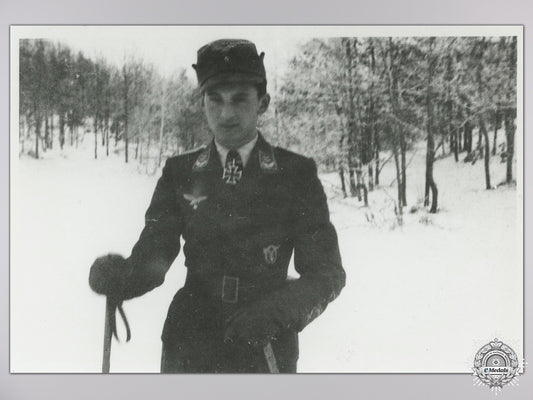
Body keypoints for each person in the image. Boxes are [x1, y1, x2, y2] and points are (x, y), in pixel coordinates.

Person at [89, 38, 346, 373]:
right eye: (215, 99)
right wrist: (121, 278)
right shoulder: (179, 173)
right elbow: (154, 256)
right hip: (189, 343)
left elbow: (326, 274)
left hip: (265, 347)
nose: (226, 114)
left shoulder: (295, 174)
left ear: (263, 103)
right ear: (202, 103)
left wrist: (275, 313)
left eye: (240, 99)